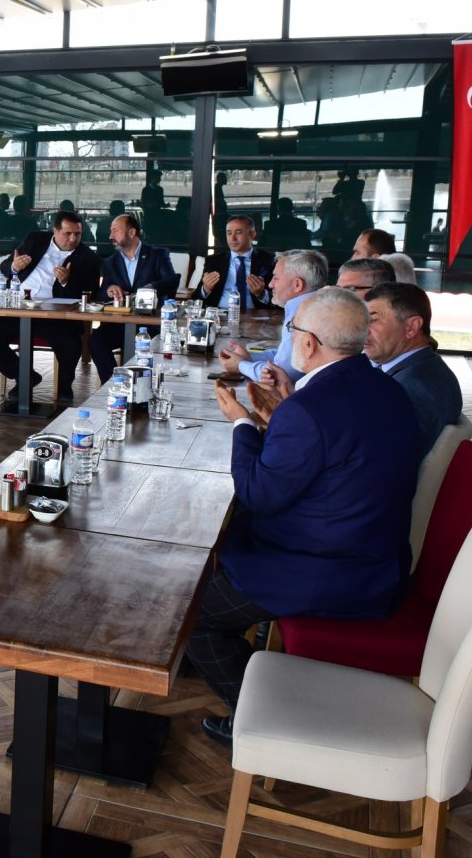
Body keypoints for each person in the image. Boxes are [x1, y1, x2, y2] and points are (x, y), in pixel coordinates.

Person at [194, 288, 422, 743]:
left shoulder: (309, 408)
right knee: (215, 563)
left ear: (309, 343)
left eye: (293, 329)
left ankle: (266, 721)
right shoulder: (387, 389)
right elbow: (332, 454)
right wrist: (282, 413)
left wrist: (241, 422)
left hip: (326, 570)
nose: (292, 336)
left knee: (191, 613)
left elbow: (258, 494)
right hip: (377, 556)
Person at [0, 209, 100, 402]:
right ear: (55, 231)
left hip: (55, 315)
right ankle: (25, 376)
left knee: (71, 343)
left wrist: (66, 282)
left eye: (78, 234)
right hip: (19, 307)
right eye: (68, 233)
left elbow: (90, 294)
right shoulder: (35, 240)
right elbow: (7, 267)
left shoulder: (88, 257)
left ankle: (64, 387)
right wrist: (15, 267)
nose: (73, 239)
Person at [365, 283, 463, 450]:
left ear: (411, 327)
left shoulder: (415, 388)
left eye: (373, 320)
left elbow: (382, 454)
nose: (362, 330)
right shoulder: (422, 368)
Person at [218, 249, 328, 384]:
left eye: (276, 278)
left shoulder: (305, 317)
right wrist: (250, 357)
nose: (270, 285)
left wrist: (240, 365)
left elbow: (281, 375)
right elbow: (284, 355)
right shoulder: (316, 306)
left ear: (297, 285)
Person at [87, 214, 177, 377]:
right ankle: (115, 381)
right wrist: (109, 289)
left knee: (147, 348)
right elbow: (101, 295)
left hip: (150, 324)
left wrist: (151, 288)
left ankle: (141, 385)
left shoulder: (157, 254)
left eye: (115, 231)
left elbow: (171, 282)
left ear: (132, 232)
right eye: (111, 232)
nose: (110, 236)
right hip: (120, 324)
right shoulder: (110, 262)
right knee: (96, 340)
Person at [200, 215, 276, 309]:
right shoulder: (213, 261)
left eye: (238, 232)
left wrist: (261, 293)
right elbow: (195, 298)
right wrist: (205, 289)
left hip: (256, 316)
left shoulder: (269, 260)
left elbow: (281, 300)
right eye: (229, 233)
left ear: (252, 234)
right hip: (220, 314)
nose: (233, 238)